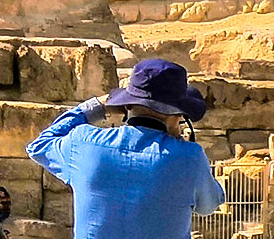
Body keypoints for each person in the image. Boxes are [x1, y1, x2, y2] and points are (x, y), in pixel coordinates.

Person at [27, 58, 225, 239]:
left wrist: (99, 105)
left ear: (126, 106)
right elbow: (210, 204)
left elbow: (39, 145)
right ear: (176, 115)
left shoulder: (84, 142)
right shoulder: (189, 158)